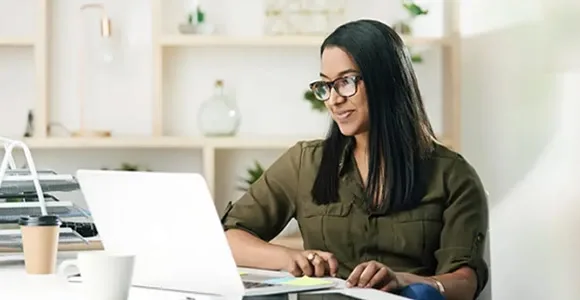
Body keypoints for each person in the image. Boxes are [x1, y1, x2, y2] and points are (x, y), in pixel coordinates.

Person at [221, 19, 489, 300]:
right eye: (326, 85)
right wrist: (289, 258)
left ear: (385, 80)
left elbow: (465, 280)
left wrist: (403, 280)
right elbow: (228, 239)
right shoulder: (304, 162)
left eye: (346, 82)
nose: (333, 100)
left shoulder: (452, 175)